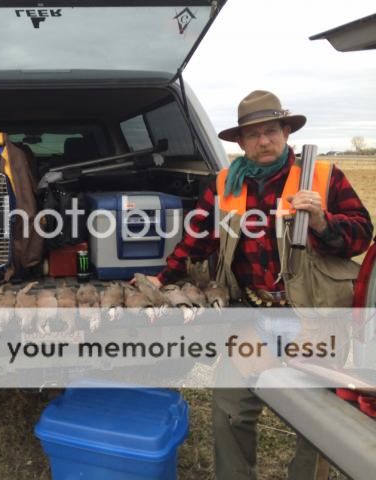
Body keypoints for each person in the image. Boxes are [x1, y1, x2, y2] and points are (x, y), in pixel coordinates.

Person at [145, 90, 373, 479]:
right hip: (254, 317)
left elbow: (362, 236)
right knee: (230, 409)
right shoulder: (224, 184)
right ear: (240, 141)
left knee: (317, 424)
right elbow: (197, 239)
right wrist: (161, 279)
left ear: (286, 133)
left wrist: (322, 221)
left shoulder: (323, 177)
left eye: (271, 131)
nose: (263, 141)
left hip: (315, 320)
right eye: (252, 134)